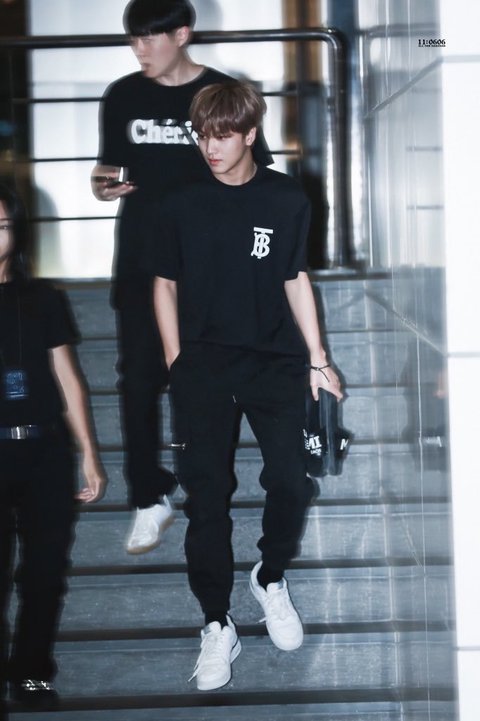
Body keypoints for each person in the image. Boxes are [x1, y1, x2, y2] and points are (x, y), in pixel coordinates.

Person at [147, 81, 344, 691]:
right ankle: (216, 623)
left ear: (251, 134)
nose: (211, 147)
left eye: (224, 135)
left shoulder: (285, 198)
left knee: (291, 479)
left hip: (274, 361)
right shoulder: (180, 201)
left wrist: (318, 359)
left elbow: (294, 276)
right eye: (203, 135)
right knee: (207, 498)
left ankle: (270, 576)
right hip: (204, 367)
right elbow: (164, 284)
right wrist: (177, 361)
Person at [91, 0, 271, 555]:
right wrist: (102, 186)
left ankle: (205, 490)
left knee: (203, 382)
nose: (138, 49)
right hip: (142, 259)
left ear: (182, 34)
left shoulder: (220, 93)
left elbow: (257, 175)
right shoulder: (123, 95)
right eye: (133, 39)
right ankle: (149, 496)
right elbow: (106, 168)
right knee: (137, 381)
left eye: (149, 38)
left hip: (208, 266)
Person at [0, 183, 106, 713]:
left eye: (0, 226)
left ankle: (31, 674)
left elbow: (68, 380)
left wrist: (89, 453)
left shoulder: (42, 298)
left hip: (45, 453)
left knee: (44, 575)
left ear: (15, 233)